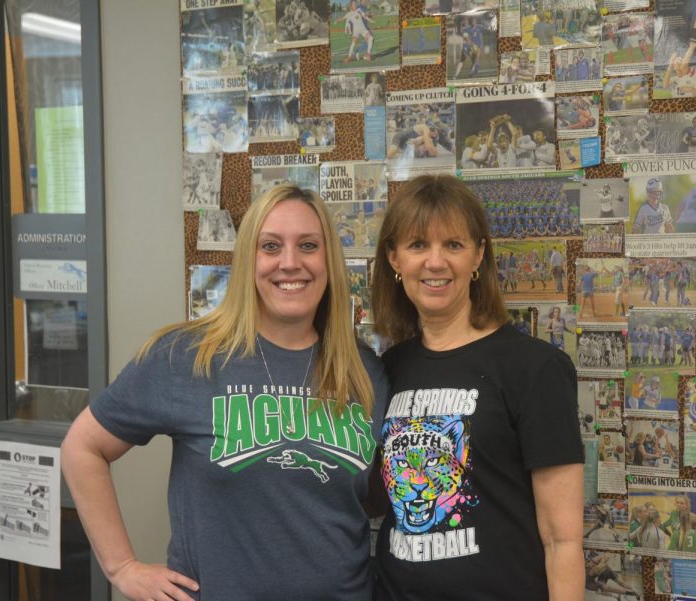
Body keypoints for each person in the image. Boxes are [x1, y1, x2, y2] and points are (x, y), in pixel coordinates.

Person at [61, 185, 389, 600]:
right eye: (270, 246)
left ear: (329, 262)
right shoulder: (187, 357)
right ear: (248, 260)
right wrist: (121, 567)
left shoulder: (365, 371)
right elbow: (82, 447)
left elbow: (372, 498)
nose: (290, 263)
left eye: (308, 245)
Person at [371, 175, 584, 600]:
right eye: (417, 245)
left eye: (453, 244)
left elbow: (563, 541)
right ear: (394, 259)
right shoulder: (386, 370)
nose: (436, 262)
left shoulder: (535, 368)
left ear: (478, 256)